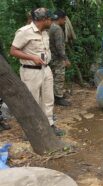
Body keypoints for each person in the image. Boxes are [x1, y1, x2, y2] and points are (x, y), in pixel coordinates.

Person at [10, 8, 64, 136]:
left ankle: (49, 125)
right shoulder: (24, 32)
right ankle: (31, 130)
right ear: (43, 20)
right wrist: (32, 58)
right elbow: (13, 51)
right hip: (30, 72)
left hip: (46, 69)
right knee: (32, 101)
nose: (52, 21)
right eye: (50, 19)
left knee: (48, 99)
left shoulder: (45, 31)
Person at [49, 9, 71, 106]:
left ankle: (53, 96)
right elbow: (59, 46)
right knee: (59, 77)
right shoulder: (57, 29)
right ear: (61, 18)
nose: (65, 21)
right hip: (57, 58)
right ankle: (58, 97)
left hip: (49, 57)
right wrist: (65, 59)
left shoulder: (48, 26)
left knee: (51, 77)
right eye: (64, 19)